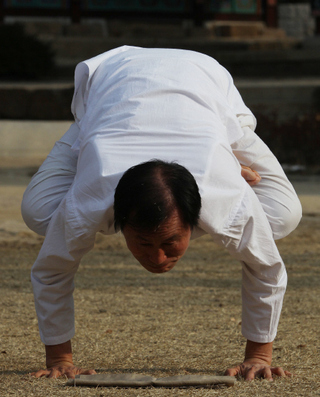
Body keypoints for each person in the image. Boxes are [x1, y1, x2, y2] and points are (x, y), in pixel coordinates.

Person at [21, 46, 302, 381]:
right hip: (115, 80)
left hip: (204, 81)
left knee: (282, 216)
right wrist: (59, 359)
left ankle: (230, 156)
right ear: (120, 219)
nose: (157, 258)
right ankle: (89, 132)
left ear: (194, 217)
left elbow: (266, 266)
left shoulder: (222, 196)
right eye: (142, 242)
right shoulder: (91, 197)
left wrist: (258, 355)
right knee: (39, 212)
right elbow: (52, 270)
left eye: (170, 242)